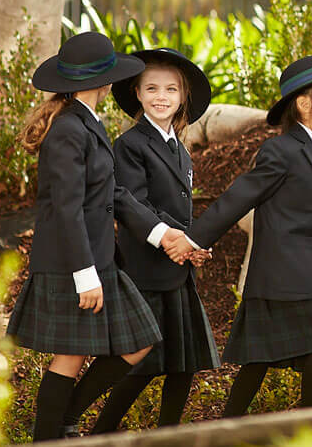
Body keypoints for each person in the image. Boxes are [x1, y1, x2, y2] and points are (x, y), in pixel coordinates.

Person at [176, 56, 312, 417]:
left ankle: (229, 426)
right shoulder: (281, 150)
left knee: (258, 361)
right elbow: (238, 198)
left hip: (298, 279)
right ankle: (308, 425)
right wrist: (194, 239)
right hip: (283, 278)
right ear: (303, 104)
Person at [5, 32, 181, 441]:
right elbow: (66, 208)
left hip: (98, 258)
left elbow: (111, 193)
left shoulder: (85, 121)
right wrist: (84, 275)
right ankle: (49, 437)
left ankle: (64, 418)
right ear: (103, 82)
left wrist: (160, 233)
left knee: (139, 342)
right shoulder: (69, 128)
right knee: (71, 355)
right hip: (74, 263)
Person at [88, 48, 218, 431]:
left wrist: (194, 244)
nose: (162, 97)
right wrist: (176, 239)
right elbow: (131, 202)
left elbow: (181, 211)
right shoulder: (130, 144)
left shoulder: (181, 150)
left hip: (177, 271)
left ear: (183, 96)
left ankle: (168, 434)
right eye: (152, 89)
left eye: (171, 89)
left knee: (184, 364)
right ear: (138, 94)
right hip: (147, 270)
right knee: (139, 366)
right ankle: (99, 433)